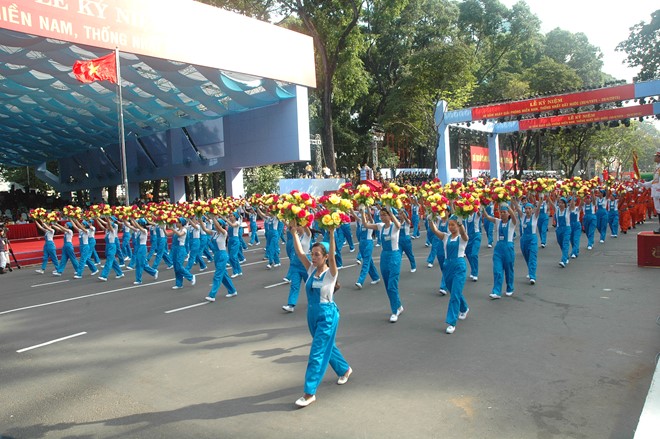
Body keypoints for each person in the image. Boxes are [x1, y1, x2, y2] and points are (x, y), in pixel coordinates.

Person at [291, 225, 351, 408]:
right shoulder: (310, 270)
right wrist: (294, 233)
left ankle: (309, 393)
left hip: (327, 315)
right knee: (327, 346)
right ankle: (344, 369)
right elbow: (300, 252)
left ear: (325, 257)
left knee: (316, 353)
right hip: (312, 314)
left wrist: (332, 233)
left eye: (317, 254)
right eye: (312, 253)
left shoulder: (331, 273)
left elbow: (333, 255)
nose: (313, 257)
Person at [362, 205, 404, 322]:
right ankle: (399, 306)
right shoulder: (380, 226)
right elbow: (366, 225)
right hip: (384, 256)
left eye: (384, 215)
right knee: (387, 285)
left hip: (394, 256)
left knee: (392, 285)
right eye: (381, 215)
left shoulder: (395, 226)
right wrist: (362, 211)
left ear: (390, 216)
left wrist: (390, 209)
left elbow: (399, 225)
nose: (382, 217)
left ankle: (394, 311)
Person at [428, 214, 469, 334]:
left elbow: (464, 234)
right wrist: (430, 218)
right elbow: (434, 230)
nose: (450, 227)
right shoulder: (446, 237)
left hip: (459, 267)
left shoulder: (462, 238)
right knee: (454, 291)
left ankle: (451, 322)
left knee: (454, 294)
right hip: (447, 267)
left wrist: (460, 223)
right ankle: (464, 308)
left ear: (458, 225)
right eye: (449, 225)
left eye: (453, 225)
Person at [482, 201, 518, 299]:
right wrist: (482, 207)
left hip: (508, 248)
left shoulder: (512, 223)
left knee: (509, 269)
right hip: (498, 249)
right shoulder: (498, 222)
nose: (502, 214)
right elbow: (487, 217)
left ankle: (510, 288)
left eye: (504, 212)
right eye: (501, 212)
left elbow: (514, 216)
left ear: (508, 213)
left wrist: (507, 206)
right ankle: (496, 291)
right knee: (497, 270)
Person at [200, 215, 237, 301]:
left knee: (217, 275)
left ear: (222, 226)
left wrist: (213, 218)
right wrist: (200, 219)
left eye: (218, 224)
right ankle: (232, 290)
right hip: (216, 255)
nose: (215, 226)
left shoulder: (224, 233)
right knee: (223, 275)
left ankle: (212, 295)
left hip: (222, 255)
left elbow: (219, 227)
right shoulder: (214, 233)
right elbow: (205, 229)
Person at [282, 221, 312, 312]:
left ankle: (314, 301)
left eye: (298, 226)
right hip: (295, 263)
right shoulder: (296, 236)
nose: (296, 228)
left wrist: (301, 217)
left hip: (305, 263)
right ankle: (291, 305)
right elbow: (290, 227)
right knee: (294, 285)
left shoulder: (307, 235)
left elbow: (306, 226)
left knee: (310, 285)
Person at [124, 218, 159, 285]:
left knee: (139, 264)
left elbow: (138, 226)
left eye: (138, 223)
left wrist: (133, 221)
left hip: (142, 248)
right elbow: (129, 226)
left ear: (141, 224)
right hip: (138, 248)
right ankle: (154, 272)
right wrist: (124, 219)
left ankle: (139, 280)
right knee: (142, 263)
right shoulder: (137, 230)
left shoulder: (144, 230)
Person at [515, 199, 540, 285]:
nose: (528, 210)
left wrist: (541, 198)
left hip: (532, 239)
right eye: (526, 208)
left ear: (532, 210)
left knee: (532, 256)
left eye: (529, 208)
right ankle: (530, 271)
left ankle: (532, 276)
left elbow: (539, 207)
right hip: (524, 239)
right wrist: (514, 198)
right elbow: (517, 208)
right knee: (527, 256)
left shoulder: (535, 217)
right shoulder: (522, 217)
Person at [354, 208, 380, 289]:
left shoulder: (371, 223)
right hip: (362, 243)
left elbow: (370, 215)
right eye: (363, 215)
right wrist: (350, 208)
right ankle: (376, 277)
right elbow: (355, 215)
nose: (364, 216)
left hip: (368, 243)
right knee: (369, 261)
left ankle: (360, 281)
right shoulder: (361, 222)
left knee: (366, 262)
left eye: (366, 215)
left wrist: (367, 206)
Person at [168, 217, 196, 289]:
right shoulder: (177, 229)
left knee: (179, 266)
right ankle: (179, 284)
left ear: (181, 223)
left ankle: (191, 277)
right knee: (175, 267)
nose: (176, 223)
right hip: (175, 249)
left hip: (180, 249)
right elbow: (168, 235)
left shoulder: (184, 230)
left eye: (177, 222)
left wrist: (173, 229)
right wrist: (164, 227)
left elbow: (180, 234)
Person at [96, 216, 125, 281]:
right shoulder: (107, 231)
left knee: (109, 262)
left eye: (108, 225)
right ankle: (120, 273)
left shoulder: (113, 231)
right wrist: (96, 219)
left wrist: (107, 218)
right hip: (108, 247)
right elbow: (101, 225)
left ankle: (104, 276)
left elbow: (109, 224)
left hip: (112, 247)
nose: (106, 226)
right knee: (113, 261)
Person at [640, 149, 660, 234]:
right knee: (658, 210)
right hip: (656, 191)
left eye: (656, 156)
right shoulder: (657, 168)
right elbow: (654, 181)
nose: (654, 157)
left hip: (658, 191)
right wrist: (644, 184)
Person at [552, 195, 573, 268]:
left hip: (566, 229)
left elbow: (572, 203)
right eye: (559, 202)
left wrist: (573, 194)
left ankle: (563, 260)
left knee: (565, 244)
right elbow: (551, 203)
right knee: (560, 243)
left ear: (565, 204)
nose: (560, 204)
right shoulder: (557, 210)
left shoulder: (568, 210)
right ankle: (566, 256)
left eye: (562, 203)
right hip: (559, 229)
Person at [463, 208, 482, 281]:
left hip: (476, 236)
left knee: (474, 254)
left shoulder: (476, 214)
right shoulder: (465, 216)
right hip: (467, 237)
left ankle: (475, 273)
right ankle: (473, 269)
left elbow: (479, 213)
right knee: (468, 254)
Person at [397, 208, 417, 273]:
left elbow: (407, 220)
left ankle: (413, 266)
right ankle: (396, 269)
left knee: (409, 254)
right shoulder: (398, 222)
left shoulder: (407, 221)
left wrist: (403, 214)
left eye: (401, 214)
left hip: (406, 240)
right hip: (399, 241)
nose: (399, 215)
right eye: (399, 214)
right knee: (398, 255)